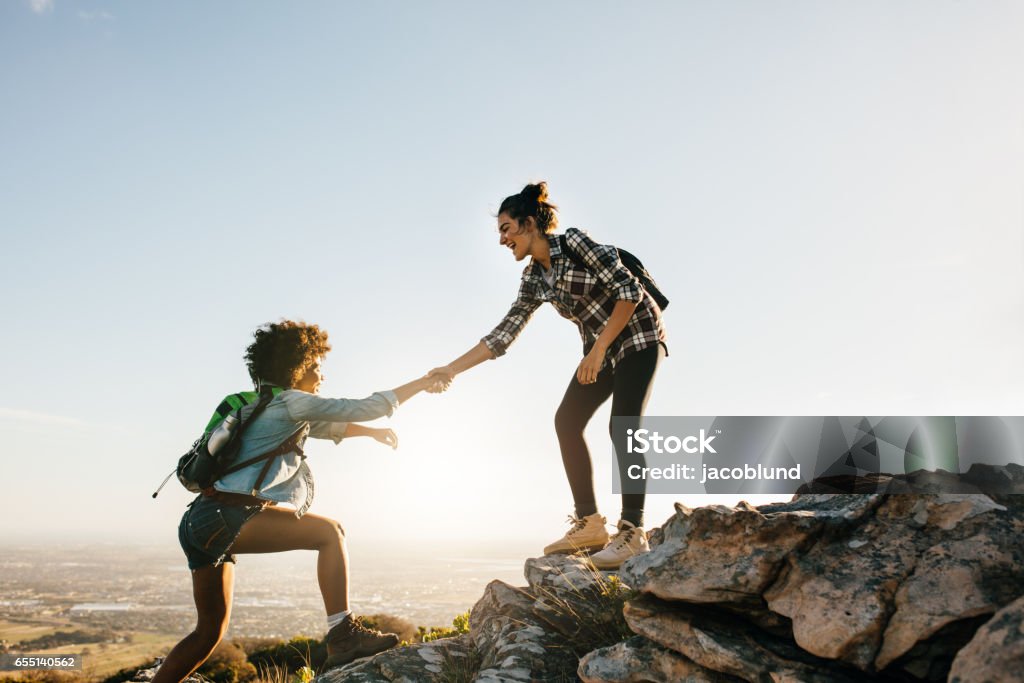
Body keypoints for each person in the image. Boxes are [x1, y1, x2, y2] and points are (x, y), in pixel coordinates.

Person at [154, 320, 443, 681]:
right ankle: (343, 634)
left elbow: (329, 427)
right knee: (330, 533)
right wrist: (422, 382)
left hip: (199, 523)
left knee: (208, 633)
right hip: (228, 517)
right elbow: (364, 407)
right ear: (300, 366)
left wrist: (371, 434)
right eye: (317, 367)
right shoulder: (291, 402)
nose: (321, 376)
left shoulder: (263, 406)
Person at [429, 182, 667, 570]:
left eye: (506, 229)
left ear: (528, 223)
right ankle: (589, 524)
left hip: (638, 335)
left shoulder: (575, 243)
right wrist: (450, 370)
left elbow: (630, 291)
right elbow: (502, 335)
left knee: (623, 425)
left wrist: (599, 348)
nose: (502, 239)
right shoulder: (534, 279)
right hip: (601, 351)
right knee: (567, 421)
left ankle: (632, 532)